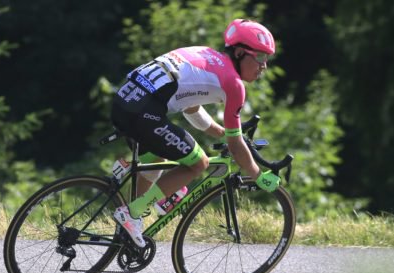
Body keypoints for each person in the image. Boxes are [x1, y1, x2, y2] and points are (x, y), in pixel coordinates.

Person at [111, 19, 281, 248]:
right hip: (144, 112)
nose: (264, 66)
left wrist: (220, 132)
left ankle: (129, 227)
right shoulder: (233, 84)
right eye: (260, 57)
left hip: (124, 101)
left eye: (267, 59)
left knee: (157, 163)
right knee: (198, 163)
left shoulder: (205, 54)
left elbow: (190, 106)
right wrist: (258, 175)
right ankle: (133, 213)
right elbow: (235, 144)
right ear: (241, 53)